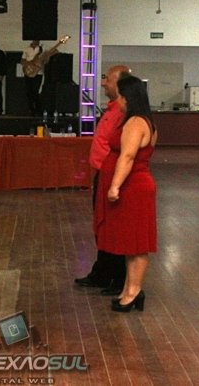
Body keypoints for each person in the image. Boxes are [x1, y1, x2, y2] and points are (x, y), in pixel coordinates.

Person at [94, 75, 157, 313]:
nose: (117, 101)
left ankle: (134, 291)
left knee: (137, 243)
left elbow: (128, 156)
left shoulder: (136, 123)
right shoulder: (139, 120)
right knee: (130, 243)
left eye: (119, 96)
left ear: (127, 98)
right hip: (133, 186)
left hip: (133, 188)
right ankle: (129, 288)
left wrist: (115, 186)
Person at [75, 65, 131, 296]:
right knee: (102, 226)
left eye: (107, 79)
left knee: (112, 227)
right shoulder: (112, 109)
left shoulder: (124, 113)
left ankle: (117, 277)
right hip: (102, 174)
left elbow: (125, 152)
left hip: (112, 176)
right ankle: (103, 272)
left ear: (120, 84)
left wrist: (114, 182)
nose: (102, 83)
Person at [21, 40, 45, 116]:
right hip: (28, 72)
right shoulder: (26, 49)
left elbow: (45, 59)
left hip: (38, 73)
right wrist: (28, 64)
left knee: (35, 91)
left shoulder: (42, 48)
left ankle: (39, 110)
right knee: (28, 92)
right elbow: (22, 60)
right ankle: (31, 110)